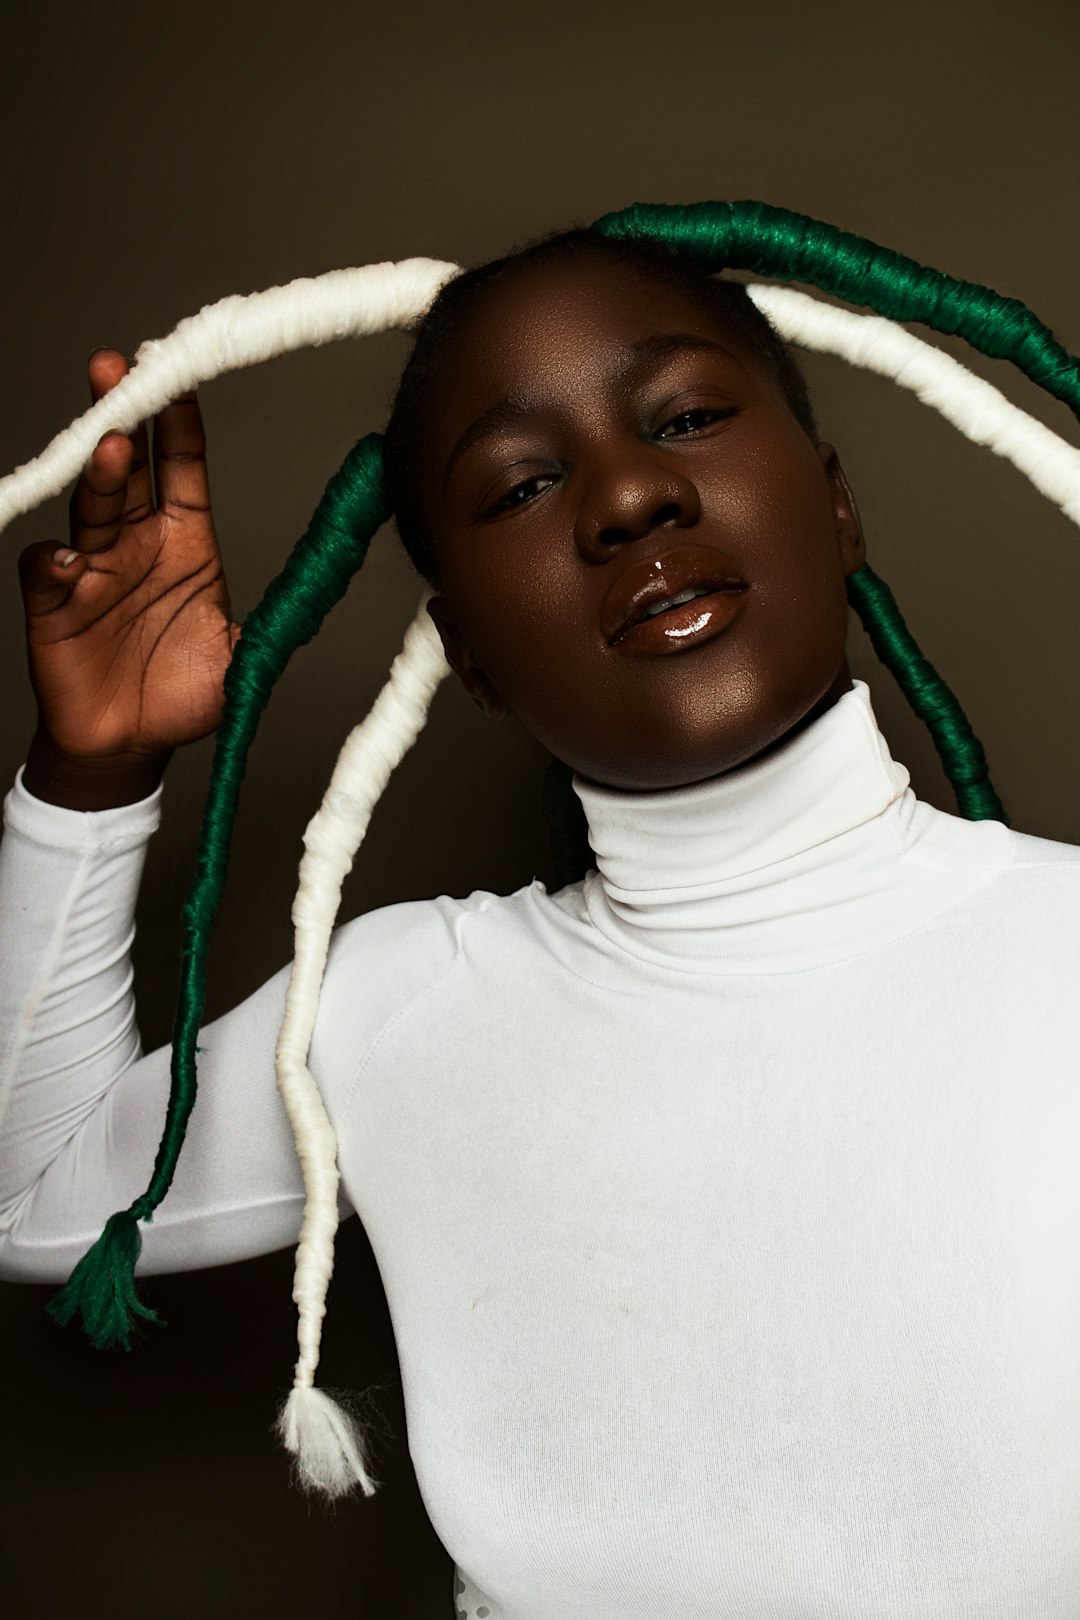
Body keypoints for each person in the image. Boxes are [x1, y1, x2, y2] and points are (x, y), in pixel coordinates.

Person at [3, 225, 1080, 1619]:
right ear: (469, 656)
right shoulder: (400, 1012)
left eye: (686, 416)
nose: (630, 497)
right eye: (521, 485)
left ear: (838, 508)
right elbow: (33, 1200)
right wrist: (89, 781)